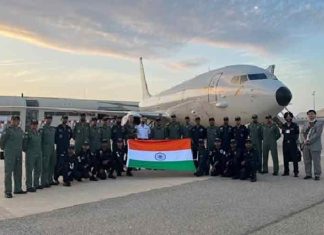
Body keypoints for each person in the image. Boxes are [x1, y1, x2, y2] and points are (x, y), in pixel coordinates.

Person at [0, 116, 25, 198]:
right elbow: (2, 141)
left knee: (18, 171)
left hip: (18, 153)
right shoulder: (7, 130)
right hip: (10, 154)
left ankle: (17, 189)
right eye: (14, 120)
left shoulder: (20, 130)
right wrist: (6, 150)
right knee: (8, 172)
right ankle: (8, 191)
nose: (16, 121)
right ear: (11, 121)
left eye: (17, 120)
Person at [301, 110, 324, 180]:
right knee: (307, 161)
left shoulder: (319, 123)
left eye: (312, 114)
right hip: (305, 145)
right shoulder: (305, 124)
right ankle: (308, 174)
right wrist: (304, 141)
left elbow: (317, 134)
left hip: (315, 145)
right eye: (309, 114)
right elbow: (301, 133)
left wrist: (309, 140)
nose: (311, 115)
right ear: (307, 115)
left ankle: (317, 174)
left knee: (316, 161)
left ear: (315, 115)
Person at [23, 119, 42, 192]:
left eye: (36, 124)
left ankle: (36, 184)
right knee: (29, 170)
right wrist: (28, 152)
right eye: (33, 124)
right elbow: (24, 145)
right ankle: (29, 186)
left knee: (38, 169)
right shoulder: (28, 133)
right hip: (31, 154)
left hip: (38, 153)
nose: (34, 125)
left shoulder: (38, 133)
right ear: (31, 125)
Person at [54, 115, 73, 184]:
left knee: (66, 165)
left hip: (66, 149)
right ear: (61, 119)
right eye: (64, 119)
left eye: (66, 119)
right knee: (59, 165)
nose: (65, 120)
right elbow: (55, 139)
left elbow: (70, 136)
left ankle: (65, 179)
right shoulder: (58, 128)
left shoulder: (69, 128)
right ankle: (55, 178)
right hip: (60, 149)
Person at [281, 112, 300, 177]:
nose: (288, 117)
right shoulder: (284, 125)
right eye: (287, 116)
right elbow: (284, 132)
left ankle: (296, 172)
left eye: (289, 116)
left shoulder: (295, 125)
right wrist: (290, 133)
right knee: (285, 158)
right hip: (285, 143)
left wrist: (289, 133)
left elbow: (296, 135)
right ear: (285, 118)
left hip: (293, 143)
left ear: (291, 117)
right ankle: (286, 171)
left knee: (295, 158)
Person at [41, 114, 56, 188]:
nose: (49, 120)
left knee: (51, 165)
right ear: (45, 119)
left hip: (52, 149)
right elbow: (40, 140)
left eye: (50, 118)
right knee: (45, 166)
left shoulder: (53, 129)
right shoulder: (42, 129)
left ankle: (50, 180)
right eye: (47, 118)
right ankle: (44, 181)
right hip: (45, 149)